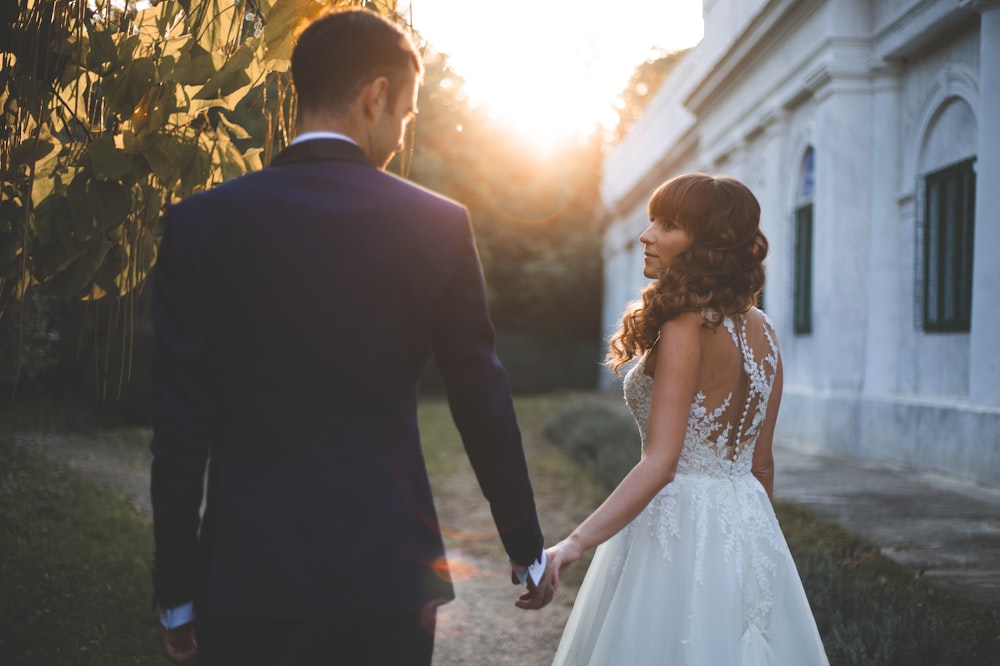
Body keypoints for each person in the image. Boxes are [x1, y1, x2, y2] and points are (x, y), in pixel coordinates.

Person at [150, 8, 553, 665]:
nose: (401, 132)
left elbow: (179, 427)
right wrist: (525, 547)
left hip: (246, 579)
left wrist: (177, 590)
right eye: (407, 114)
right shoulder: (438, 226)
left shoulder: (201, 225)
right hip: (387, 579)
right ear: (378, 96)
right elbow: (480, 396)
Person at [544, 174, 828, 664]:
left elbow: (661, 464)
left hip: (676, 526)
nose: (646, 235)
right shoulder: (765, 332)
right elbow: (761, 466)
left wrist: (573, 544)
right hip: (750, 523)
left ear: (707, 245)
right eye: (652, 220)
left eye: (668, 225)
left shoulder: (685, 324)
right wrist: (753, 548)